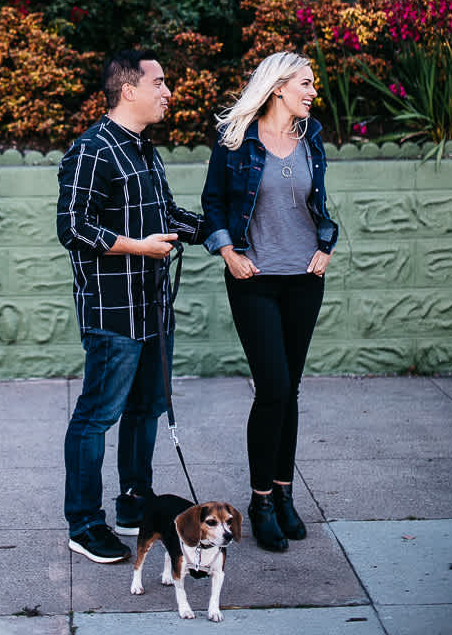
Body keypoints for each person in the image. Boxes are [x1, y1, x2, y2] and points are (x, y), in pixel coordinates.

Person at [58, 49, 208, 564]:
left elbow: (166, 215)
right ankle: (83, 523)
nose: (169, 91)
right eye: (161, 82)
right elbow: (72, 226)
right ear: (130, 90)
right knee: (96, 417)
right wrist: (136, 245)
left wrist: (223, 233)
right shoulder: (92, 149)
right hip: (112, 312)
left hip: (153, 310)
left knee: (146, 411)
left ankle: (133, 503)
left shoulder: (144, 149)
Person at [201, 51, 338, 553]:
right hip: (254, 279)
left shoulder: (312, 139)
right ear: (278, 86)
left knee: (291, 389)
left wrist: (326, 246)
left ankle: (283, 493)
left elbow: (318, 203)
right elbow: (212, 202)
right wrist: (228, 252)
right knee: (273, 387)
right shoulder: (236, 141)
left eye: (313, 84)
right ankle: (259, 502)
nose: (312, 91)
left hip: (305, 278)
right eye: (305, 82)